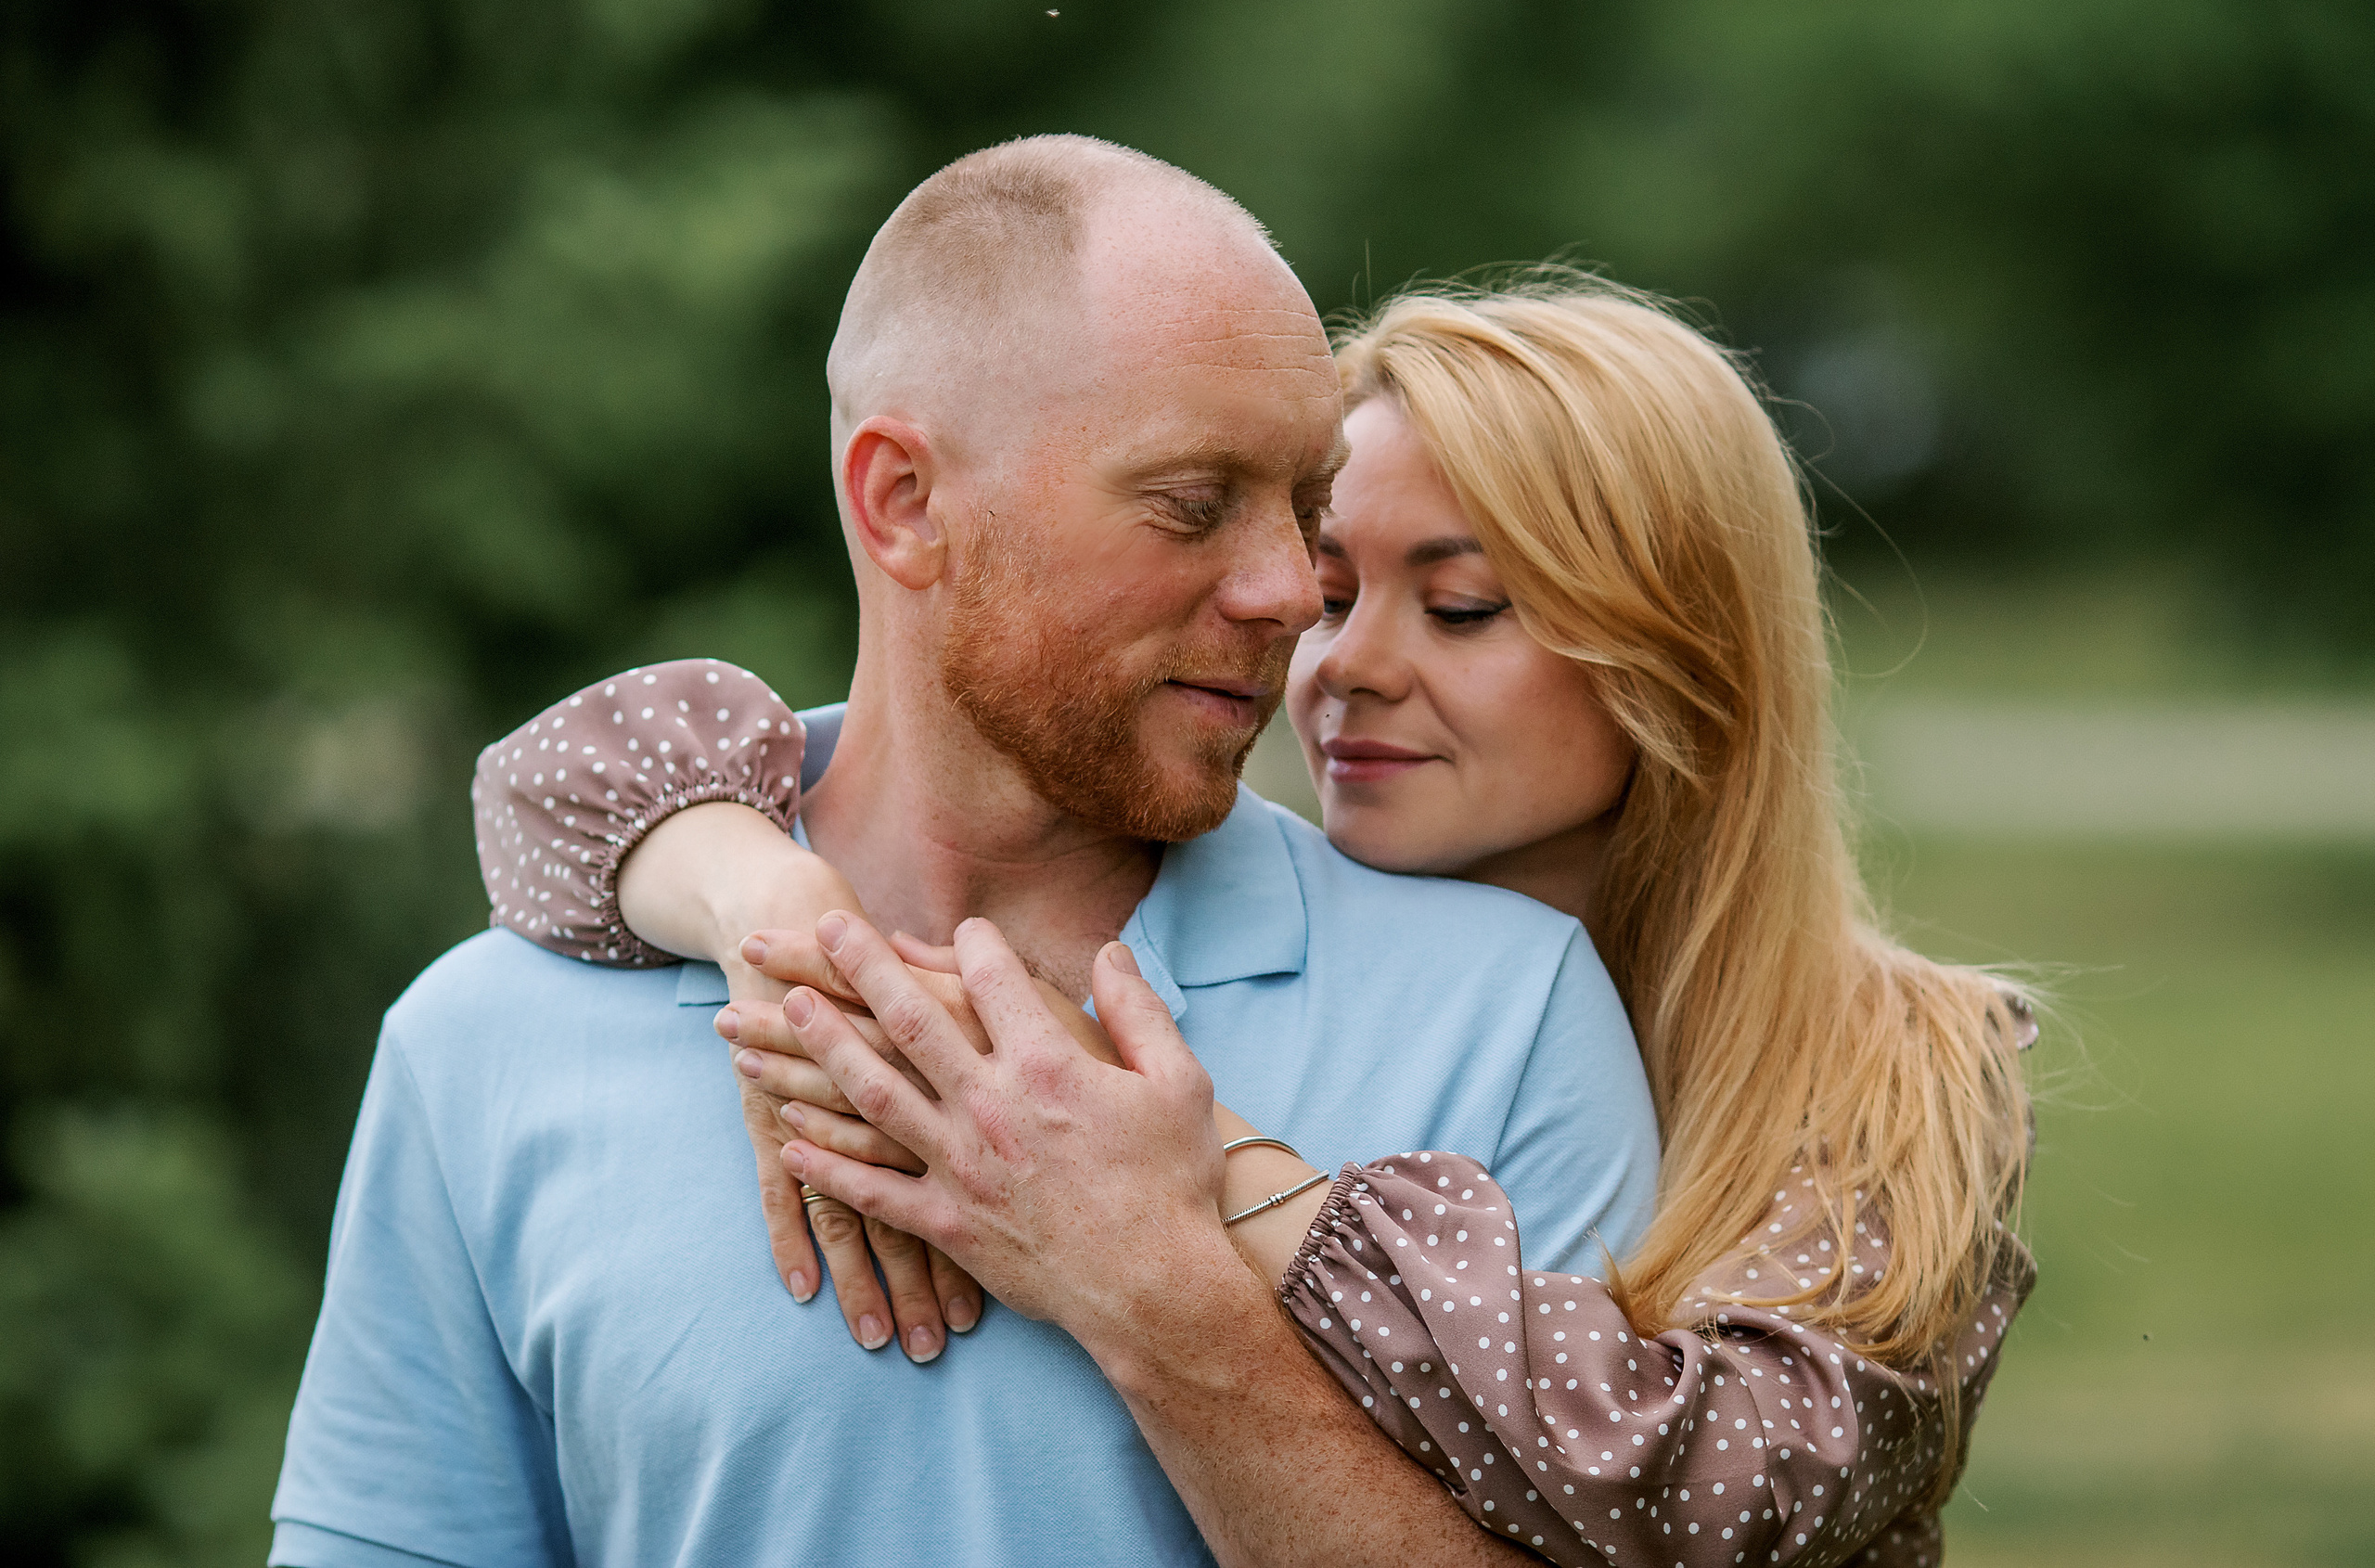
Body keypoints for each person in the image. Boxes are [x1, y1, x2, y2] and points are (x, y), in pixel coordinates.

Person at [484, 277, 2037, 1564]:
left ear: (1680, 660)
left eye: (1461, 605)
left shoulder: (1899, 1078)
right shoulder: (1259, 947)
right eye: (1332, 588)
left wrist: (1179, 1165)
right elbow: (549, 782)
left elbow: (1699, 1485)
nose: (1342, 662)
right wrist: (770, 898)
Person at [271, 138, 1660, 1568]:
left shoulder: (1509, 1016)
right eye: (1193, 504)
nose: (1289, 593)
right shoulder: (483, 1043)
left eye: (1306, 510)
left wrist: (1154, 1290)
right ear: (904, 502)